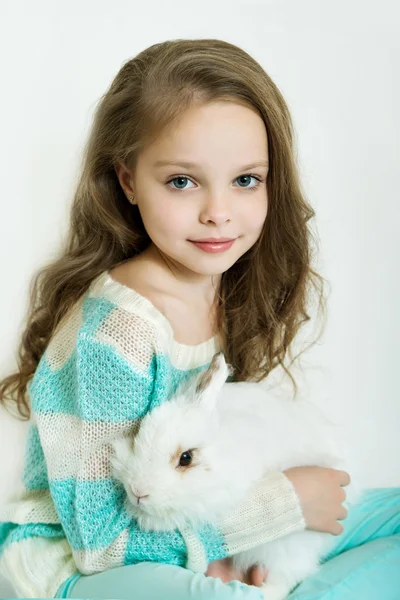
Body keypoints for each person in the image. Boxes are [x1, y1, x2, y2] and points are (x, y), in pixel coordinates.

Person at [0, 38, 399, 600]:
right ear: (128, 180)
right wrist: (281, 507)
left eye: (245, 180)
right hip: (72, 567)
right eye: (183, 181)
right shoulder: (117, 334)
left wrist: (236, 544)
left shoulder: (216, 287)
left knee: (394, 518)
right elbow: (99, 547)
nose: (218, 212)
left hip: (188, 536)